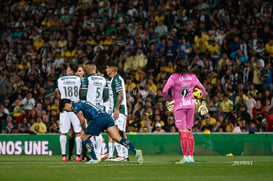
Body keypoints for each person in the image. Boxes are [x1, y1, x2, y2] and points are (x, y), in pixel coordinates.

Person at [59, 98, 143, 164]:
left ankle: (94, 158)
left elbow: (81, 119)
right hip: (106, 117)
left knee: (83, 137)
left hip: (98, 119)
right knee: (118, 138)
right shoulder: (80, 102)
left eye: (65, 109)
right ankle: (136, 152)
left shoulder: (75, 106)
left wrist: (83, 129)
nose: (67, 111)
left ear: (67, 104)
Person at [163, 58, 207, 164]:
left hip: (179, 106)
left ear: (176, 66)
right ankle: (191, 157)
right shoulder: (193, 77)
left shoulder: (174, 77)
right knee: (189, 131)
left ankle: (185, 157)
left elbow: (164, 90)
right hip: (190, 106)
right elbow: (203, 89)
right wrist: (202, 98)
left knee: (182, 132)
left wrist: (166, 99)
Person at [82, 61, 108, 160]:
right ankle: (98, 153)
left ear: (88, 69)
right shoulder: (103, 79)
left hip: (90, 107)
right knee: (99, 132)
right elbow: (106, 96)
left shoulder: (86, 79)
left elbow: (83, 94)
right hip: (100, 108)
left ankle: (94, 155)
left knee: (90, 131)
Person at [56, 63, 82, 162]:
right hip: (75, 107)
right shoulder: (78, 80)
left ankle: (63, 156)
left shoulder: (60, 80)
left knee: (63, 133)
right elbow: (80, 92)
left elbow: (58, 93)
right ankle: (78, 156)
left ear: (69, 69)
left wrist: (63, 100)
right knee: (78, 132)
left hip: (64, 107)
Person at [105, 61, 129, 161]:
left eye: (107, 68)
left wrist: (116, 109)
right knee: (120, 132)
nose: (106, 70)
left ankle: (122, 155)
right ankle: (125, 155)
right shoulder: (114, 80)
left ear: (112, 69)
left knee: (117, 132)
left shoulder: (117, 80)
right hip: (119, 110)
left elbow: (120, 94)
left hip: (120, 110)